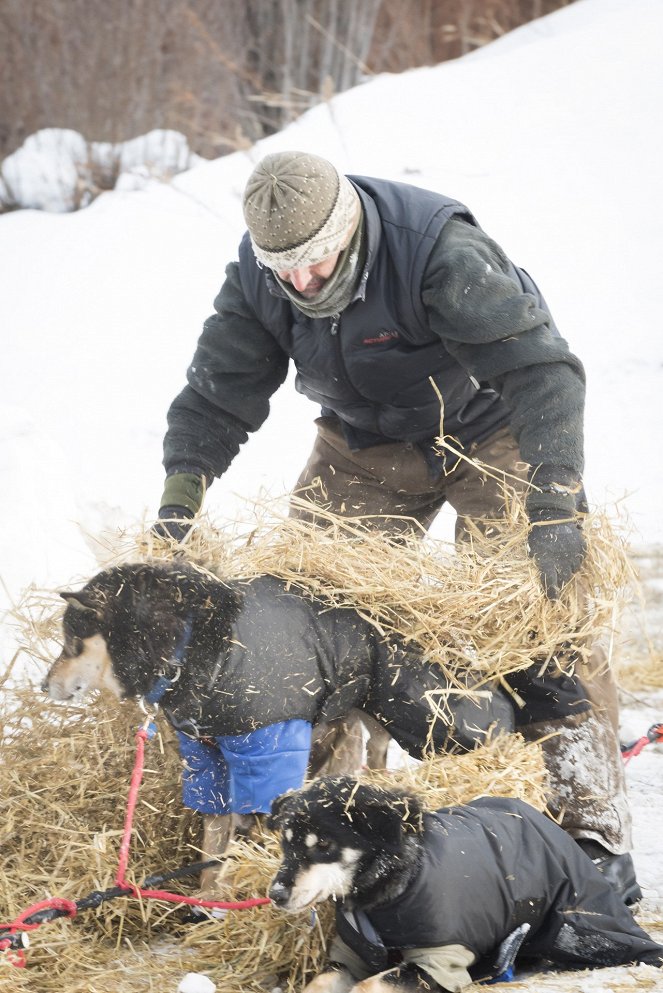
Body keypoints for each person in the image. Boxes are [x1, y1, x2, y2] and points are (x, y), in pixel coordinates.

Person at [156, 150, 639, 902]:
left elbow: (540, 371)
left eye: (316, 261)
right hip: (363, 446)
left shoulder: (437, 251)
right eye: (285, 266)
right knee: (300, 623)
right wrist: (177, 503)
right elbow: (217, 394)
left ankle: (589, 834)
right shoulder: (262, 278)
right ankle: (310, 831)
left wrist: (552, 502)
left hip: (487, 431)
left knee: (542, 622)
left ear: (346, 224)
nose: (303, 281)